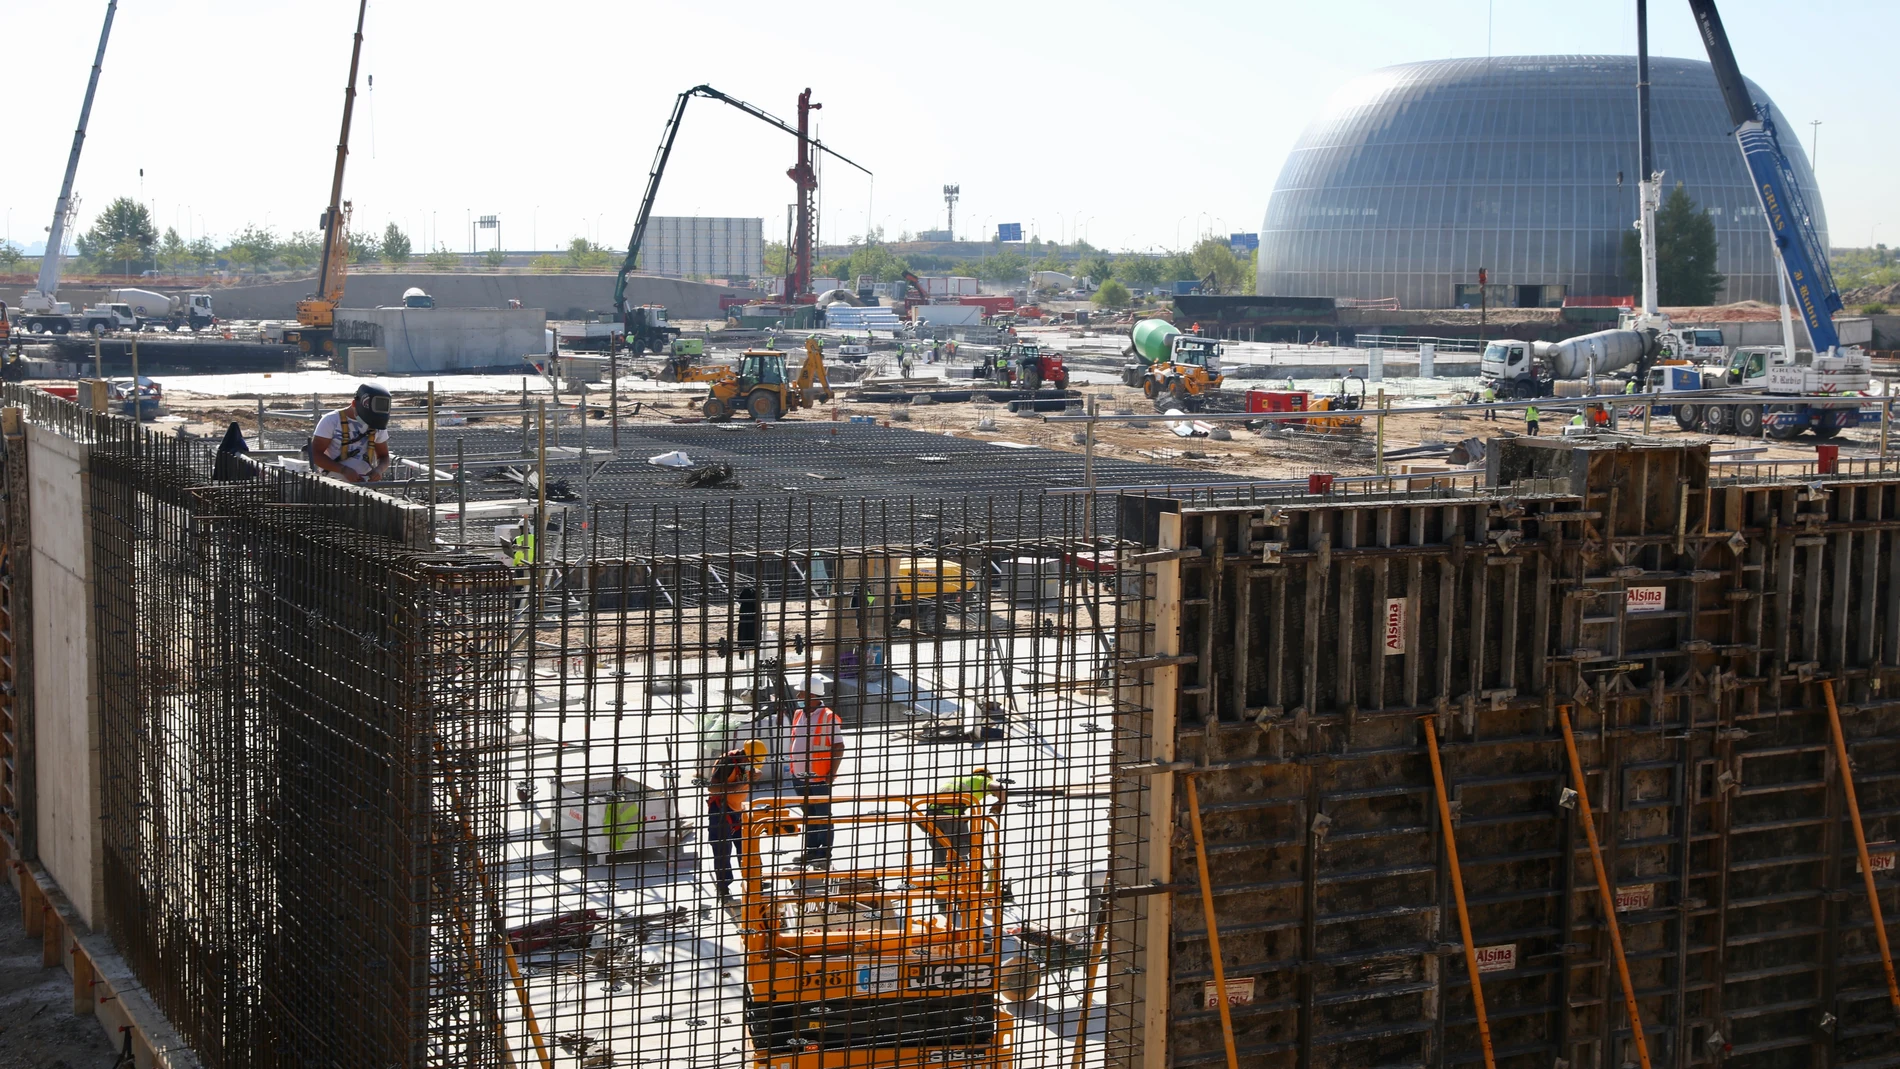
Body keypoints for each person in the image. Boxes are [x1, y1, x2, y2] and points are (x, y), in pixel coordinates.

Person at [701, 738, 768, 901]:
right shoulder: (728, 762)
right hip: (721, 809)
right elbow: (712, 787)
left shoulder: (745, 763)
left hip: (738, 808)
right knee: (722, 849)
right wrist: (734, 787)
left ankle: (754, 880)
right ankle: (723, 886)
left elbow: (756, 773)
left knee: (747, 846)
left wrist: (753, 776)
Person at [788, 693, 844, 866]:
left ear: (813, 694)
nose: (798, 696)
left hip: (819, 777)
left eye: (802, 693)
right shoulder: (799, 713)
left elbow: (839, 746)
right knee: (809, 815)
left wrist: (831, 773)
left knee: (823, 816)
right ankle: (811, 851)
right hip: (798, 776)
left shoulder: (828, 716)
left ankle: (824, 853)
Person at [923, 766, 1005, 867]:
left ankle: (940, 877)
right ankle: (960, 876)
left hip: (932, 815)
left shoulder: (960, 779)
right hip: (951, 816)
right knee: (960, 848)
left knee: (939, 849)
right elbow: (999, 788)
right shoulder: (982, 779)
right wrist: (1001, 802)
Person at [311, 383, 392, 483]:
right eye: (365, 418)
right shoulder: (331, 420)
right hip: (332, 485)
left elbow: (384, 456)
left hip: (365, 486)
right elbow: (315, 454)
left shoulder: (377, 423)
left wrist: (379, 470)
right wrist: (343, 470)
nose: (367, 422)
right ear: (354, 404)